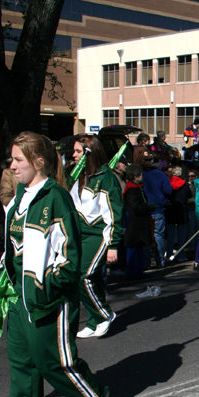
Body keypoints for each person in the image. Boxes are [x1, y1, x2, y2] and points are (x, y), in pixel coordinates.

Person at [0, 131, 108, 397]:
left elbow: (69, 257)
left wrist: (47, 288)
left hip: (48, 297)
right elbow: (14, 247)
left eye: (18, 159)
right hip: (19, 296)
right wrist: (1, 280)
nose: (12, 166)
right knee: (21, 362)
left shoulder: (56, 196)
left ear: (37, 161)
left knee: (52, 361)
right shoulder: (19, 194)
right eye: (12, 159)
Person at [69, 136, 123, 339]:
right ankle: (93, 321)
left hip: (98, 235)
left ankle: (104, 315)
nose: (73, 155)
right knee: (94, 278)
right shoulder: (79, 175)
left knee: (82, 276)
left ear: (90, 152)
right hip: (79, 235)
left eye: (78, 151)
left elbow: (114, 214)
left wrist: (113, 244)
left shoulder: (107, 178)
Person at [122, 164, 155, 280]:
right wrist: (147, 206)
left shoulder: (138, 188)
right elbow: (135, 207)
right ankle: (132, 272)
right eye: (140, 174)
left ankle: (139, 270)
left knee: (139, 249)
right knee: (133, 249)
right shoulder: (131, 190)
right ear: (135, 176)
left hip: (140, 224)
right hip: (134, 224)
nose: (142, 176)